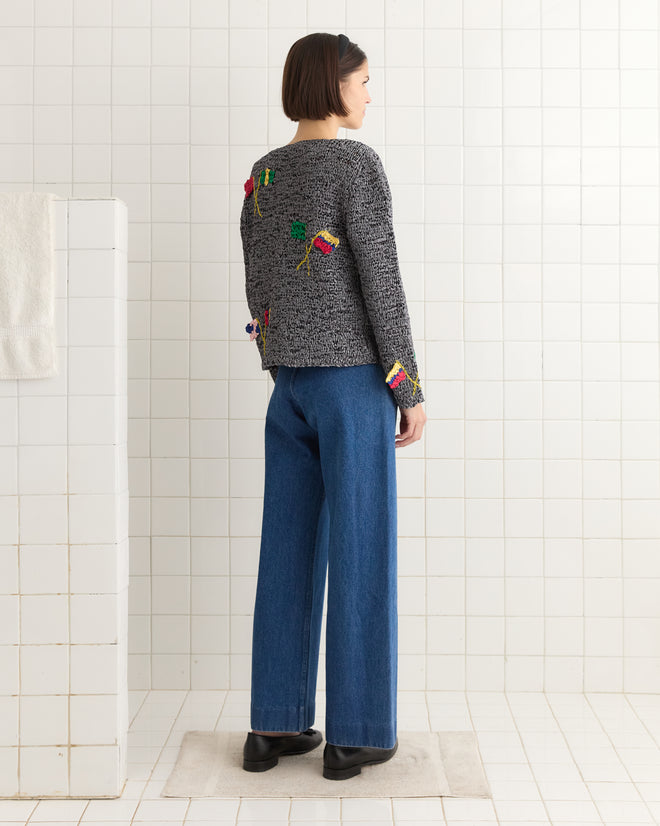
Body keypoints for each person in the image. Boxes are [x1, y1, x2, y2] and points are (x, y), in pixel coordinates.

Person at [239, 32, 427, 781]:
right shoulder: (356, 165)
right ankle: (358, 735)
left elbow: (257, 281)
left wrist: (279, 359)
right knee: (361, 549)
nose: (370, 95)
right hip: (352, 386)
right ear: (333, 84)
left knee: (286, 551)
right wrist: (405, 388)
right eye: (365, 81)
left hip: (290, 386)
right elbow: (381, 280)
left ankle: (273, 727)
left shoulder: (262, 174)